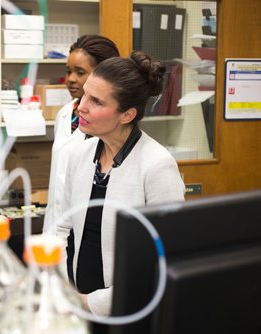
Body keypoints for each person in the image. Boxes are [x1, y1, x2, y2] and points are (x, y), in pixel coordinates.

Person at [56, 51, 186, 319]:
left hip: (127, 310)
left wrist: (92, 303)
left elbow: (162, 260)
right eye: (85, 95)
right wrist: (62, 289)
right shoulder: (79, 154)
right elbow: (62, 228)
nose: (81, 106)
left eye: (96, 101)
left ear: (126, 115)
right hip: (74, 305)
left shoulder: (157, 166)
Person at [43, 35, 120, 234]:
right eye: (68, 71)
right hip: (55, 229)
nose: (71, 79)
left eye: (80, 72)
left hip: (87, 233)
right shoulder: (64, 114)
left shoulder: (109, 123)